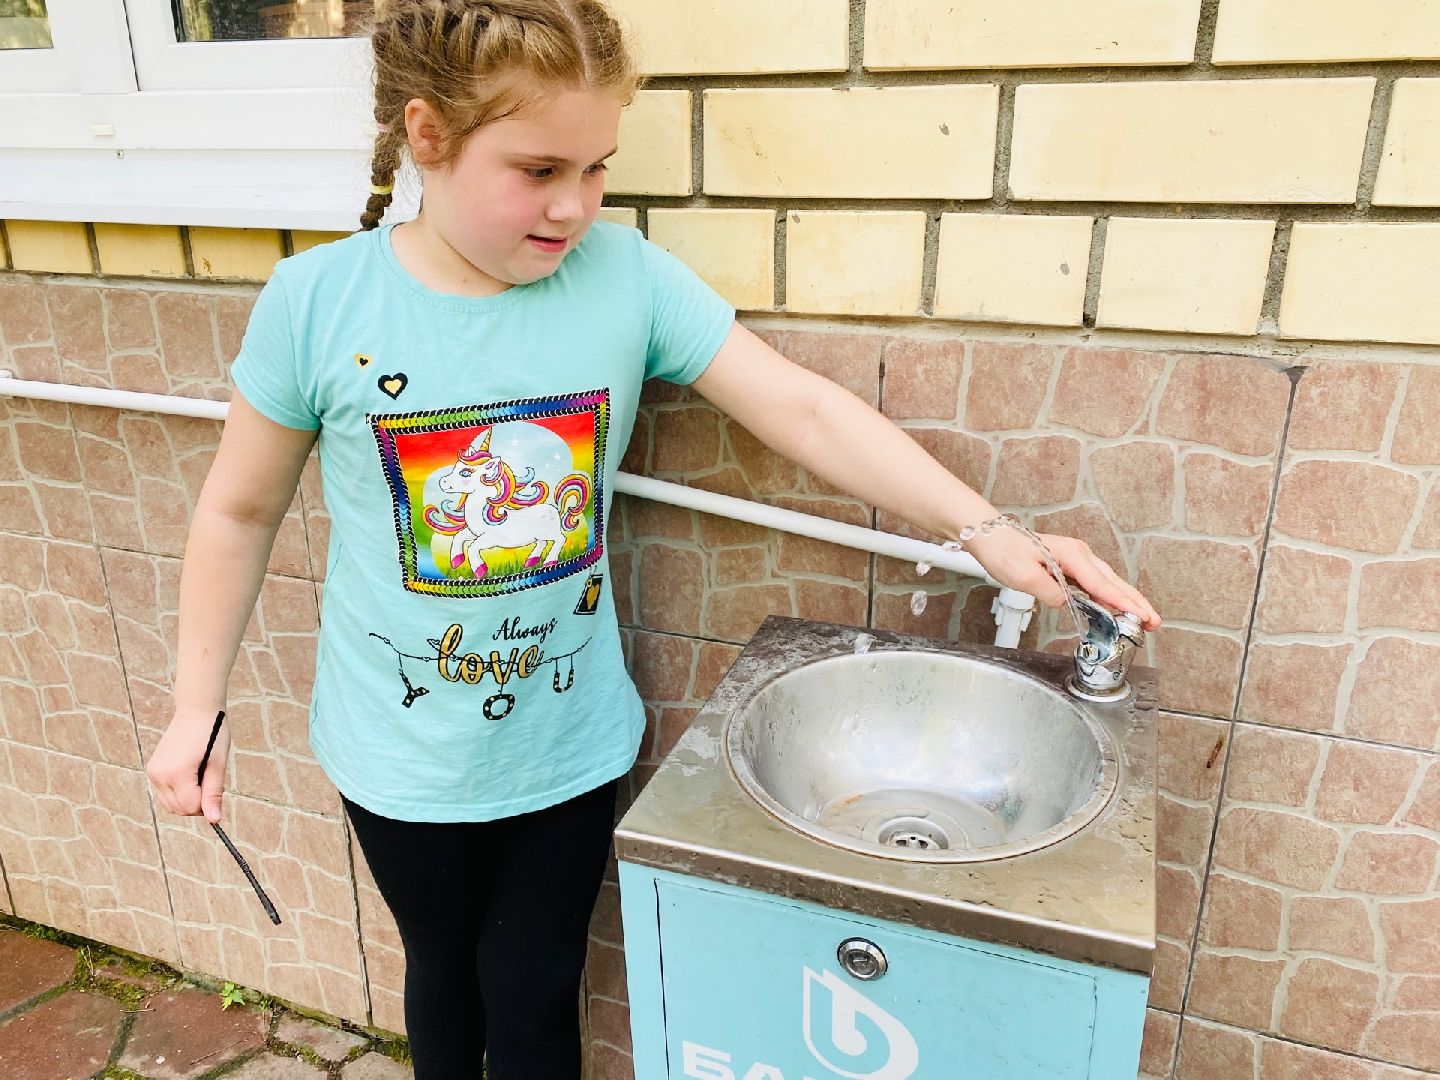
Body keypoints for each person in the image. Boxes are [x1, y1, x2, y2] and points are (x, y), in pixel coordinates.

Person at [146, 1, 1161, 1077]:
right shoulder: (318, 301)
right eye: (539, 170)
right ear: (427, 138)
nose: (575, 206)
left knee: (536, 989)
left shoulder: (623, 279)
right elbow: (238, 509)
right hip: (398, 759)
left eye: (597, 169)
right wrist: (194, 711)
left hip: (566, 749)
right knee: (443, 974)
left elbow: (803, 409)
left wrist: (990, 531)